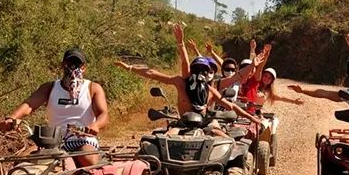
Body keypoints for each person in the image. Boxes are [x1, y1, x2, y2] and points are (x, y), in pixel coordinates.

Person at [0, 48, 108, 166]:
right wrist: (12, 118)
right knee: (20, 162)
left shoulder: (92, 88)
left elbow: (104, 114)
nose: (73, 67)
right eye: (69, 63)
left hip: (82, 140)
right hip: (51, 140)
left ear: (83, 68)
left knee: (88, 160)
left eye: (77, 64)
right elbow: (29, 105)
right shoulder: (50, 87)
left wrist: (96, 125)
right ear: (62, 65)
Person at [112, 54, 263, 136]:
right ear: (192, 70)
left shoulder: (211, 89)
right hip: (182, 124)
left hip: (206, 124)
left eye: (204, 71)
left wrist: (252, 118)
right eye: (197, 69)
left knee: (226, 141)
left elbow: (231, 104)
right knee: (165, 138)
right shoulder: (180, 82)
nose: (201, 74)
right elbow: (153, 74)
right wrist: (129, 67)